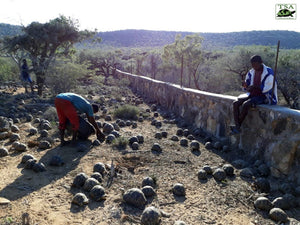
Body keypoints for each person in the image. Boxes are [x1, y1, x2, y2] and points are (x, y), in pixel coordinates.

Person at [231, 55, 278, 134]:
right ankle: (237, 126)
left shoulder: (269, 73)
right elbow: (248, 84)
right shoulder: (251, 72)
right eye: (252, 65)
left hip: (264, 96)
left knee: (246, 104)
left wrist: (254, 87)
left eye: (256, 65)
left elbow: (267, 88)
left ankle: (237, 127)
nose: (254, 67)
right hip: (253, 94)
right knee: (235, 103)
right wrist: (246, 85)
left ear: (261, 63)